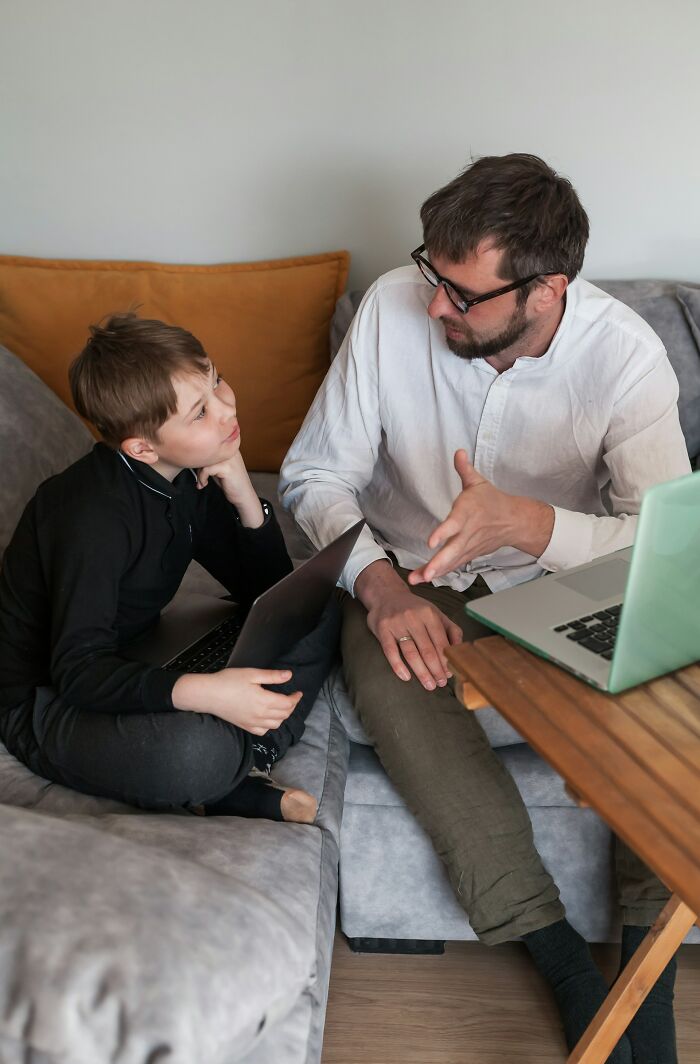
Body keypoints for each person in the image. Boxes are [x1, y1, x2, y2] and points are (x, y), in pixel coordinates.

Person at [280, 154, 691, 1060]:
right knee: (395, 683)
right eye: (433, 273)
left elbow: (665, 549)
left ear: (545, 290)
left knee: (666, 684)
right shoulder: (393, 308)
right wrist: (381, 588)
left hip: (563, 584)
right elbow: (313, 477)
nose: (434, 306)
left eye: (461, 295)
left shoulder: (625, 359)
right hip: (413, 575)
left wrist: (533, 526)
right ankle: (559, 959)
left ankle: (645, 978)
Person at [0, 312, 339, 823]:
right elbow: (76, 670)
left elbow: (268, 593)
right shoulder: (89, 517)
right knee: (191, 753)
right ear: (141, 447)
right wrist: (206, 693)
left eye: (217, 381)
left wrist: (243, 488)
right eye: (200, 412)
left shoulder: (183, 476)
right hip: (49, 699)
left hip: (142, 656)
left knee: (319, 602)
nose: (227, 408)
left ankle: (247, 755)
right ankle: (234, 768)